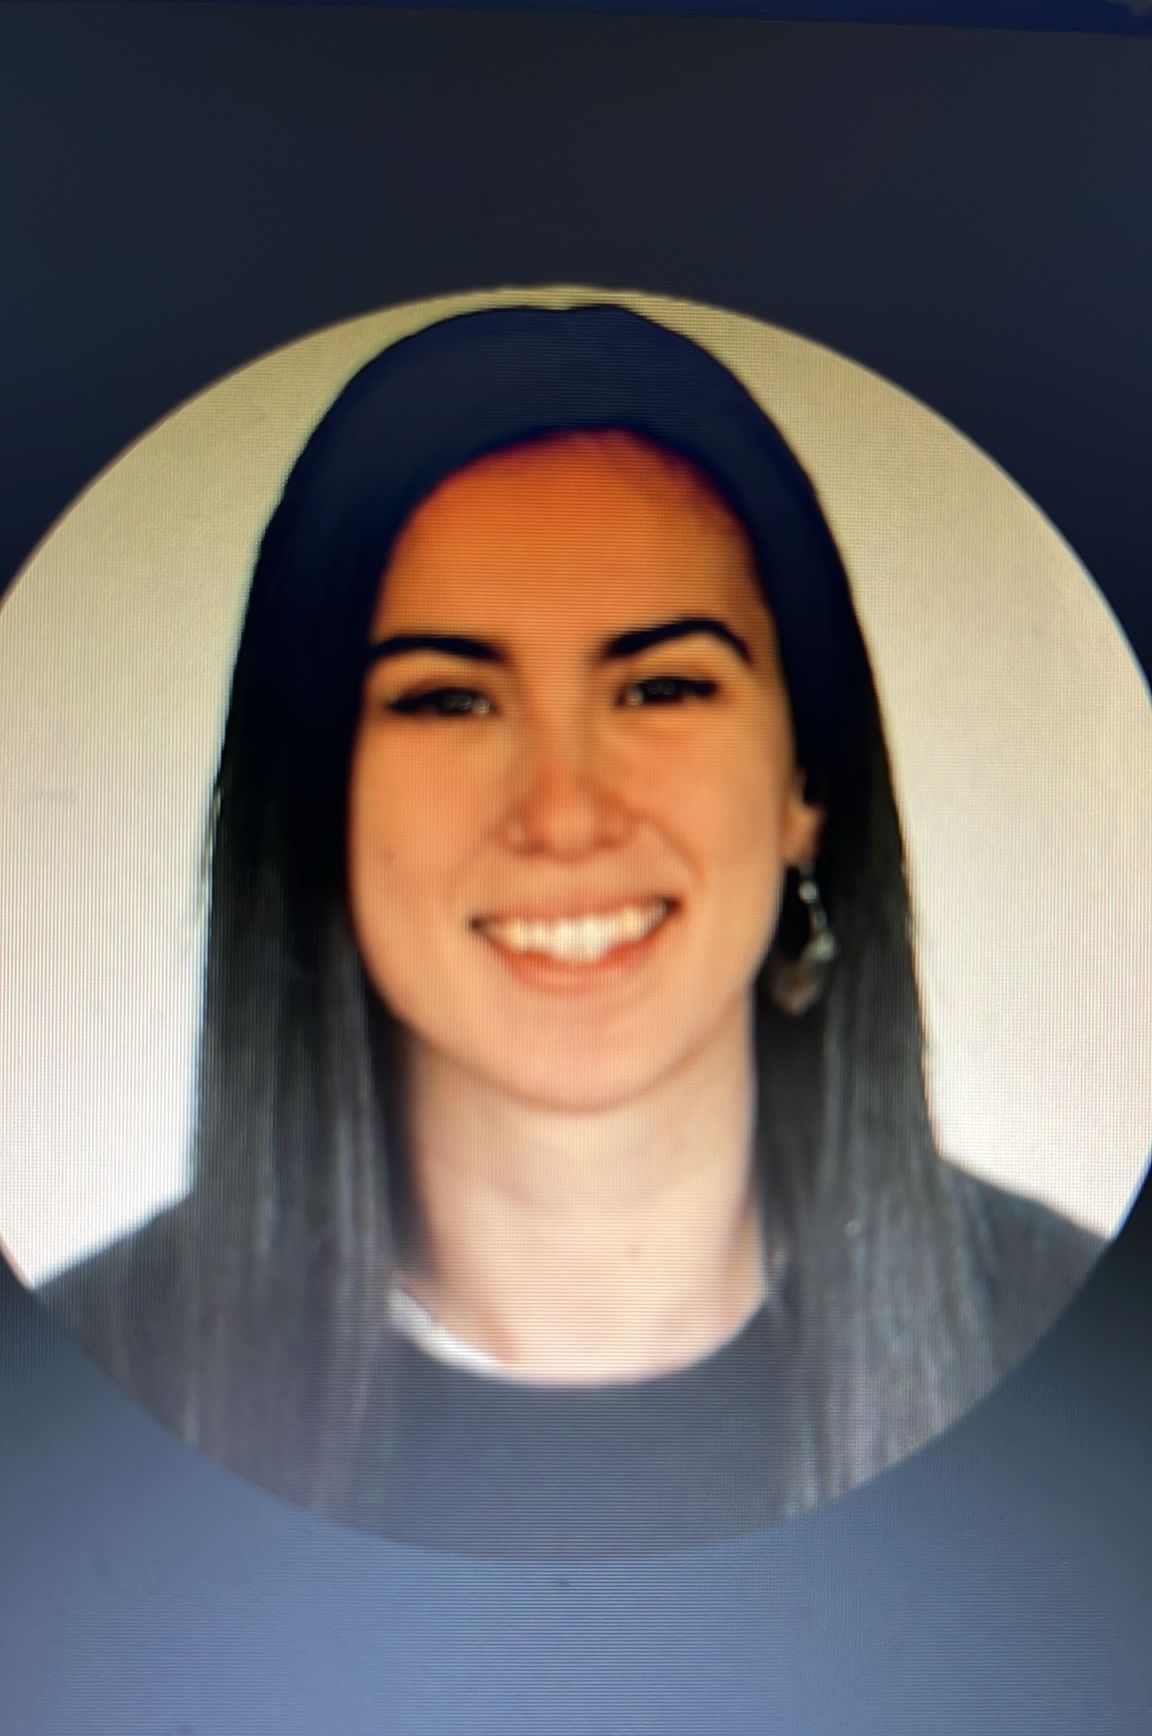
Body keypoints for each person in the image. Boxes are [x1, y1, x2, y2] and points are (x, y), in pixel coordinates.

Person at [39, 303, 1103, 1554]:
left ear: (806, 782)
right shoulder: (64, 1405)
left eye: (661, 686)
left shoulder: (1082, 1357)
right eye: (449, 699)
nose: (563, 813)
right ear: (319, 797)